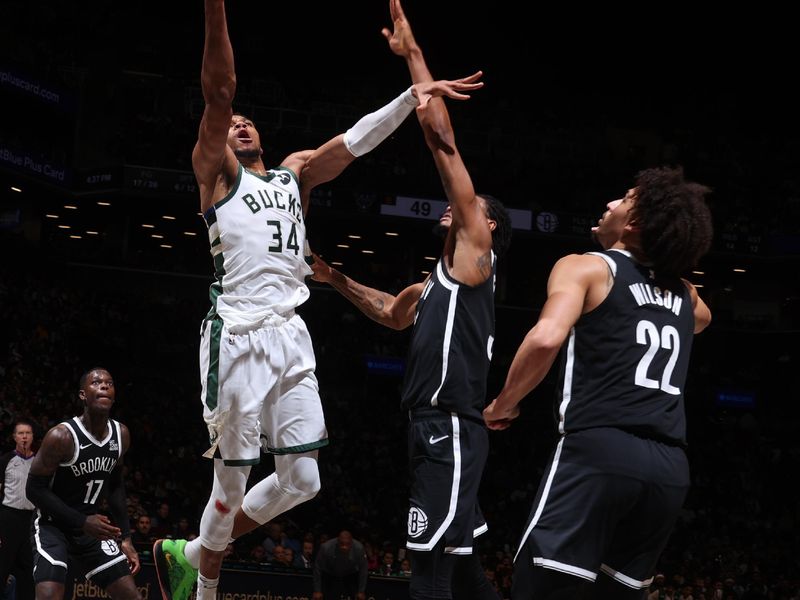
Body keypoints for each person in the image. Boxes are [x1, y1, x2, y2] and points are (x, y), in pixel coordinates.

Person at [151, 3, 483, 600]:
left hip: (290, 331)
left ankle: (192, 551)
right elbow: (220, 89)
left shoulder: (292, 174)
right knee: (230, 482)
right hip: (240, 330)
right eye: (233, 124)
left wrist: (412, 95)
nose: (241, 126)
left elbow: (353, 143)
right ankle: (200, 589)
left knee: (303, 479)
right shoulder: (218, 174)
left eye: (249, 122)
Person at [310, 2, 511, 599]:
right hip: (434, 425)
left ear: (488, 227)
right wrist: (334, 277)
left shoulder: (476, 253)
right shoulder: (434, 286)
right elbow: (388, 313)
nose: (454, 207)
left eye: (471, 209)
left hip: (447, 424)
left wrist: (416, 58)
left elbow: (442, 143)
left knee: (426, 568)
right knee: (463, 565)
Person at [483, 166, 714, 600]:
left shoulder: (585, 267)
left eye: (622, 199)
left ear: (633, 223)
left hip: (599, 451)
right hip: (668, 470)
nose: (609, 203)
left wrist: (504, 403)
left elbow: (546, 338)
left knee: (541, 587)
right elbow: (702, 320)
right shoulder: (687, 294)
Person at [25, 368, 141, 600]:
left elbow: (116, 485)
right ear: (82, 395)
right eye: (96, 382)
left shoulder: (121, 435)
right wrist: (82, 521)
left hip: (90, 529)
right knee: (49, 595)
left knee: (132, 596)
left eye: (109, 382)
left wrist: (126, 538)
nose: (104, 386)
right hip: (52, 526)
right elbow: (34, 490)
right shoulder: (61, 437)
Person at [0, 420, 36, 600]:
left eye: (28, 433)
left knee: (29, 569)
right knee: (3, 565)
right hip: (8, 517)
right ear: (14, 437)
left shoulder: (39, 462)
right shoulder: (5, 460)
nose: (24, 437)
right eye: (21, 433)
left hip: (30, 520)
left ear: (32, 437)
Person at [312, 531, 368, 600]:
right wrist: (317, 590)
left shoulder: (359, 548)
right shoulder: (326, 547)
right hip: (330, 574)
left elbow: (363, 570)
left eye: (347, 544)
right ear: (337, 541)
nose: (344, 547)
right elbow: (318, 567)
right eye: (342, 544)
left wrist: (361, 591)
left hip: (351, 575)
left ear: (352, 543)